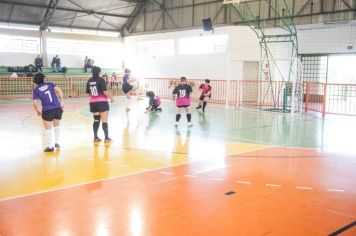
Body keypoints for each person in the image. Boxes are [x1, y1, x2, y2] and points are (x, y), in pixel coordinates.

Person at [32, 72, 64, 152]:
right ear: (43, 78)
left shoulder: (36, 90)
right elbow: (59, 90)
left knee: (48, 129)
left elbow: (35, 103)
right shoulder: (50, 84)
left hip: (47, 110)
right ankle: (57, 143)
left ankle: (50, 147)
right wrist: (62, 101)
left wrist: (37, 111)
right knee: (57, 126)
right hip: (57, 108)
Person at [86, 66, 114, 146]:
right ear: (99, 72)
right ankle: (106, 138)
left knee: (96, 120)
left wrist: (94, 95)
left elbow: (88, 93)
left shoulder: (89, 80)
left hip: (93, 103)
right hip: (102, 102)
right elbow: (104, 91)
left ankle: (95, 138)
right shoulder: (101, 79)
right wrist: (111, 97)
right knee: (104, 121)